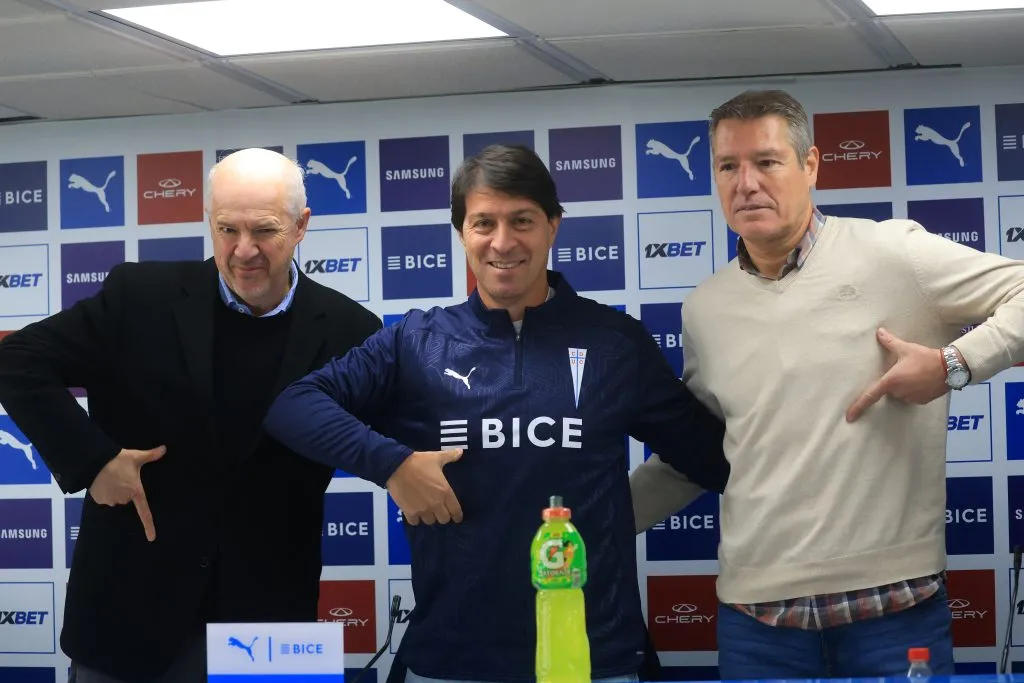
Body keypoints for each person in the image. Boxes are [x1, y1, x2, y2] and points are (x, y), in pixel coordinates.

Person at [262, 144, 729, 683]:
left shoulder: (614, 343)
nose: (503, 243)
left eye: (522, 221)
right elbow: (293, 406)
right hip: (453, 659)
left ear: (553, 226)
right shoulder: (417, 341)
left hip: (592, 657)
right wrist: (393, 465)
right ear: (462, 231)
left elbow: (712, 455)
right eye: (484, 222)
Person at [630, 89, 1024, 678]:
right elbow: (700, 455)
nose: (746, 183)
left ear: (810, 165)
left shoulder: (892, 254)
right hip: (756, 620)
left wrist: (952, 364)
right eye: (728, 166)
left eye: (766, 162)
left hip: (893, 609)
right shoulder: (705, 309)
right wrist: (586, 520)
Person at [0, 148, 382, 683]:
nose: (243, 250)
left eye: (264, 231)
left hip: (270, 620)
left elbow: (400, 433)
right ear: (209, 222)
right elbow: (16, 361)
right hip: (128, 615)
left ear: (301, 227)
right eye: (227, 229)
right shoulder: (139, 298)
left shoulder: (353, 330)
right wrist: (94, 460)